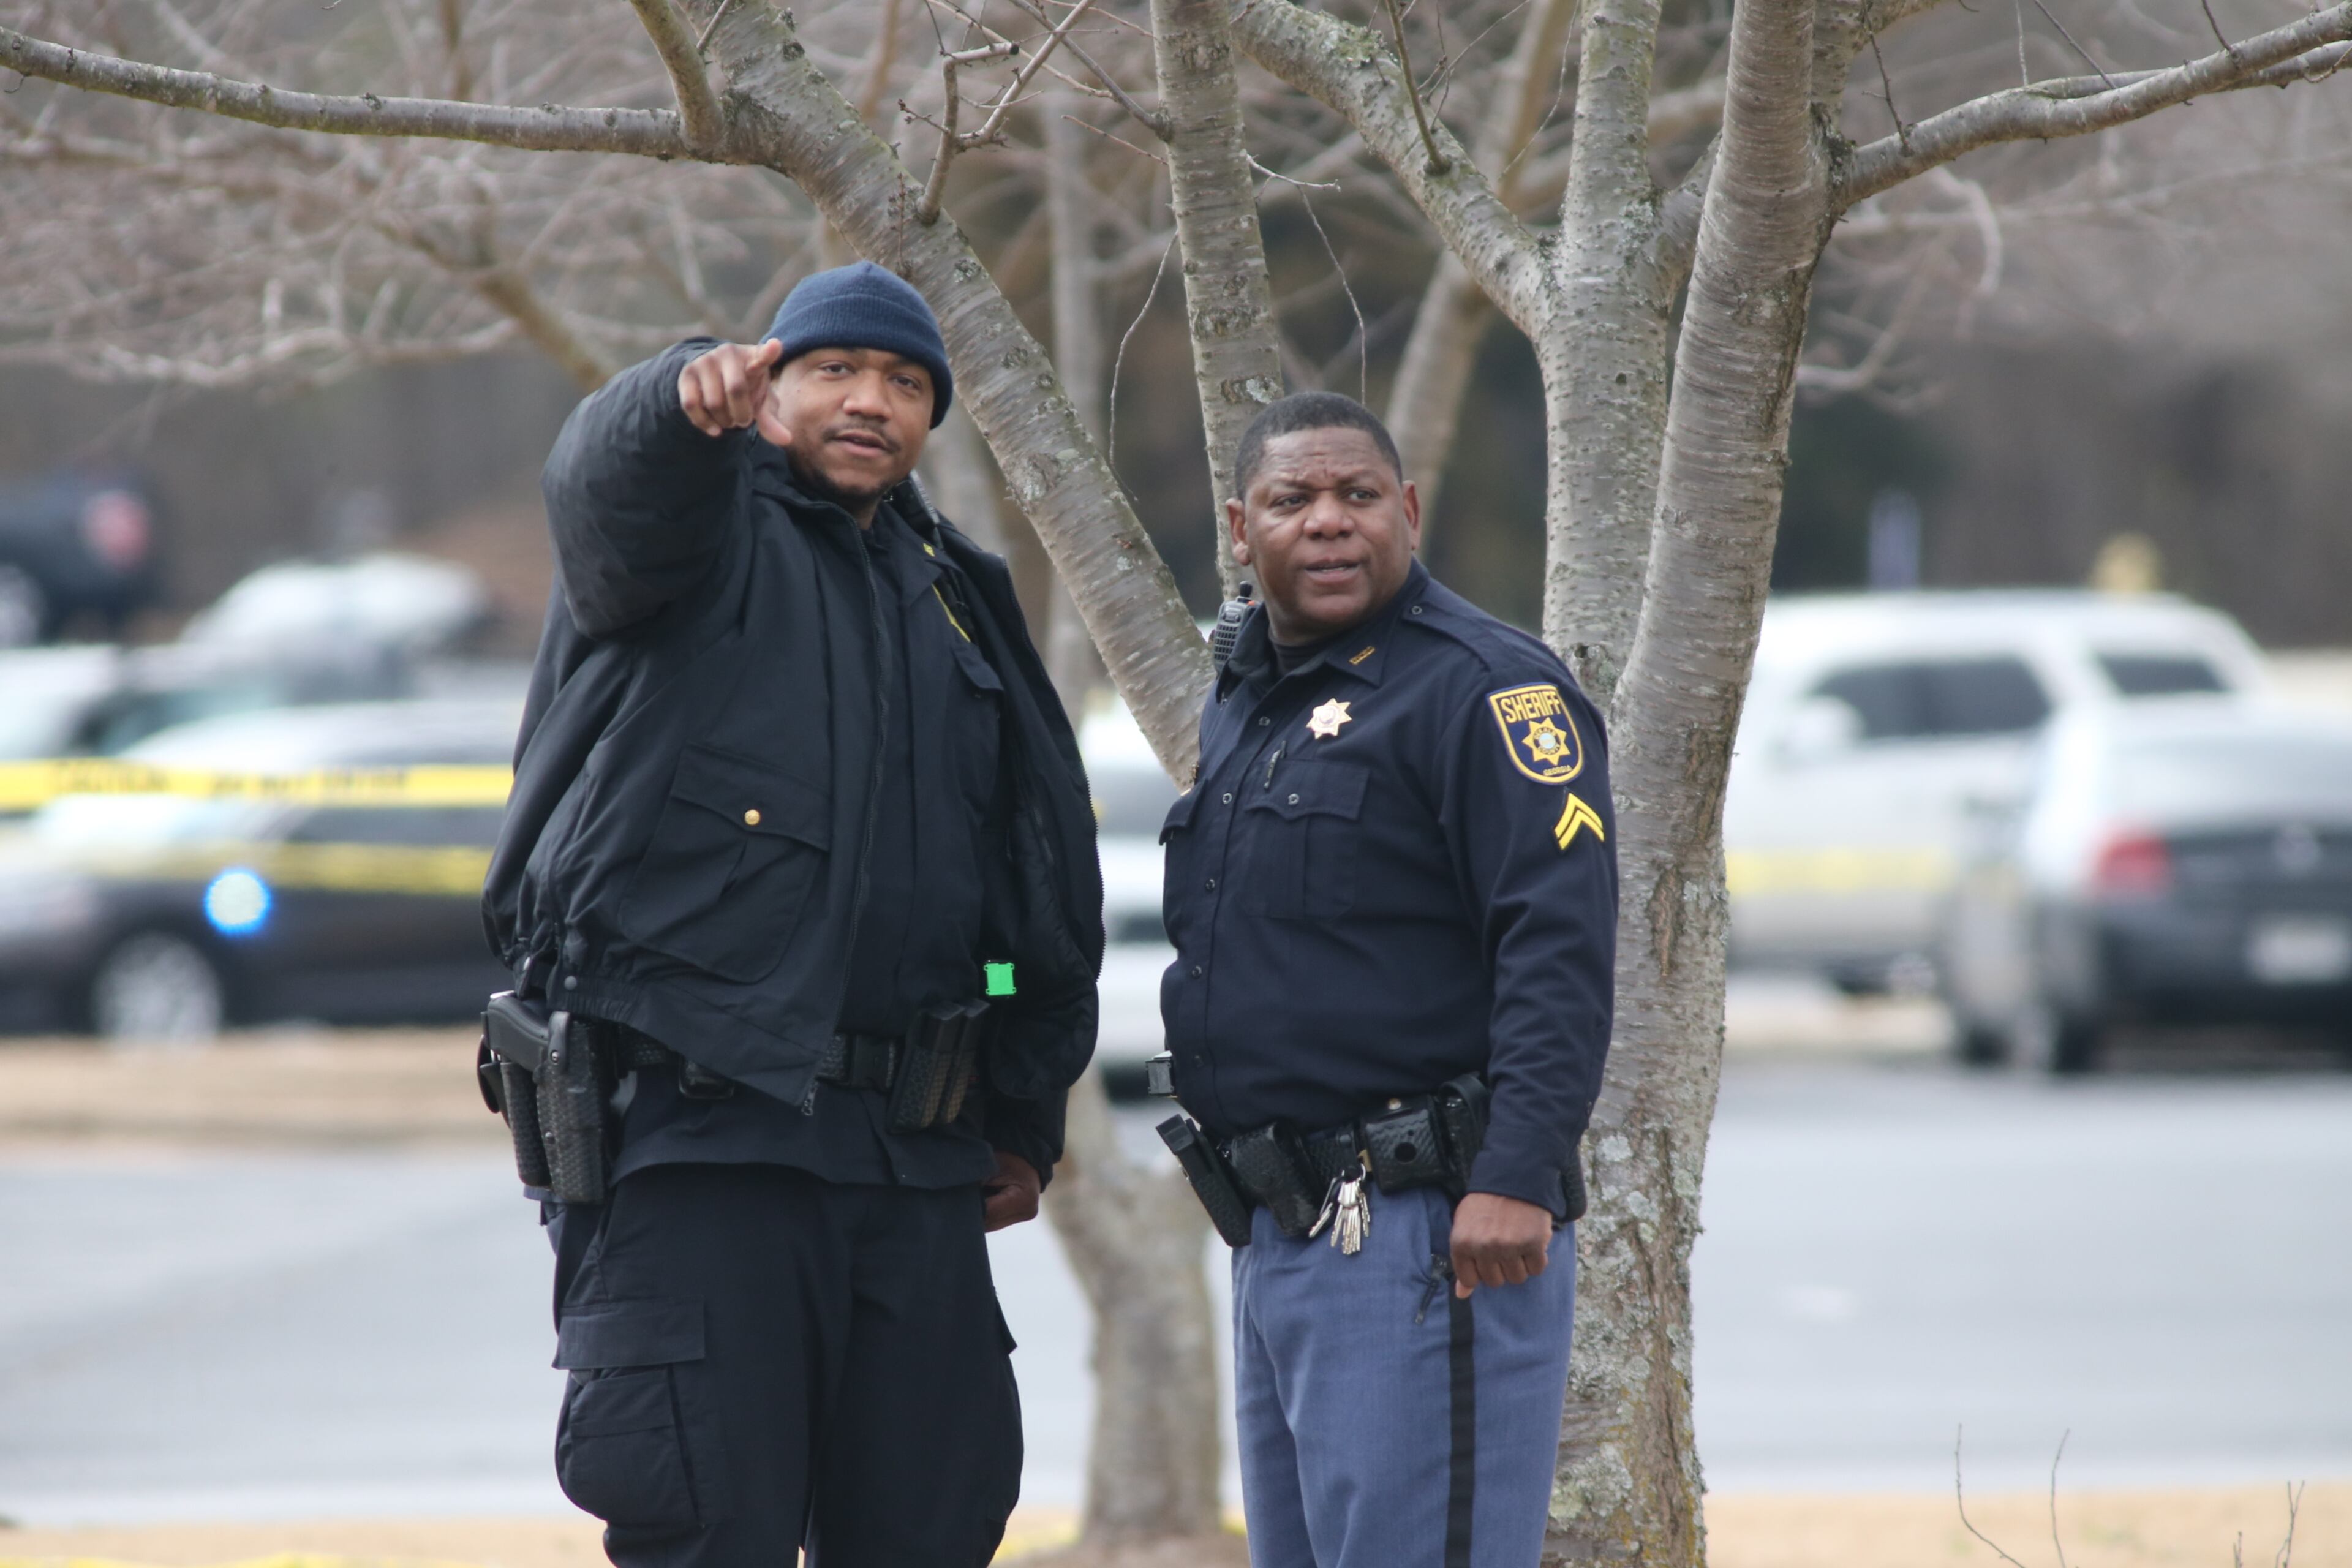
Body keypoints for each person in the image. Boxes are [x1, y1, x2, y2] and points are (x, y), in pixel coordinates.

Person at [482, 262, 1102, 1568]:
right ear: (769, 390)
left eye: (907, 382)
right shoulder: (699, 531)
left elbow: (1022, 877)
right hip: (707, 1147)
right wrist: (670, 399)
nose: (872, 400)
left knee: (936, 1521)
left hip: (914, 1162)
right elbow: (606, 492)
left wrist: (1023, 1110)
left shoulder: (955, 590)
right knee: (710, 1522)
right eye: (836, 370)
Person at [1156, 391, 1617, 1568]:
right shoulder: (1248, 697)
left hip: (1429, 1234)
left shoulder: (1487, 689)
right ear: (1240, 528)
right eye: (1292, 499)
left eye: (1358, 494)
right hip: (1283, 1234)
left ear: (1407, 508)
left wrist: (1515, 1174)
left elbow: (1557, 949)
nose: (1329, 521)